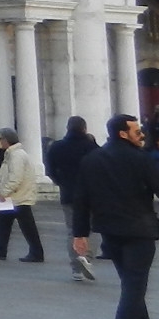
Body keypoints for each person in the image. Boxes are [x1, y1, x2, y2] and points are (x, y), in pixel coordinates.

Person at [75, 114, 159, 319]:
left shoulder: (92, 160)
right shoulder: (140, 159)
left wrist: (80, 233)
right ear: (123, 133)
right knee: (134, 285)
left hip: (110, 231)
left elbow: (81, 200)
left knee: (131, 283)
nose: (141, 134)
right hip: (139, 230)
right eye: (136, 130)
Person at [45, 116, 99, 281]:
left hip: (68, 193)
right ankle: (87, 258)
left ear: (67, 128)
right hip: (91, 193)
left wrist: (61, 182)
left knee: (72, 230)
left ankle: (76, 267)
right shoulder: (92, 147)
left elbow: (50, 170)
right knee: (92, 228)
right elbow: (101, 168)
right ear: (84, 128)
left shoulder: (57, 147)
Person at [0, 128, 43, 262]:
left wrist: (3, 192)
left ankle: (35, 252)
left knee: (26, 227)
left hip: (17, 197)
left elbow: (15, 177)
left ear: (6, 140)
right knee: (3, 224)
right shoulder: (12, 154)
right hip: (13, 197)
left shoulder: (16, 155)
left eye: (1, 139)